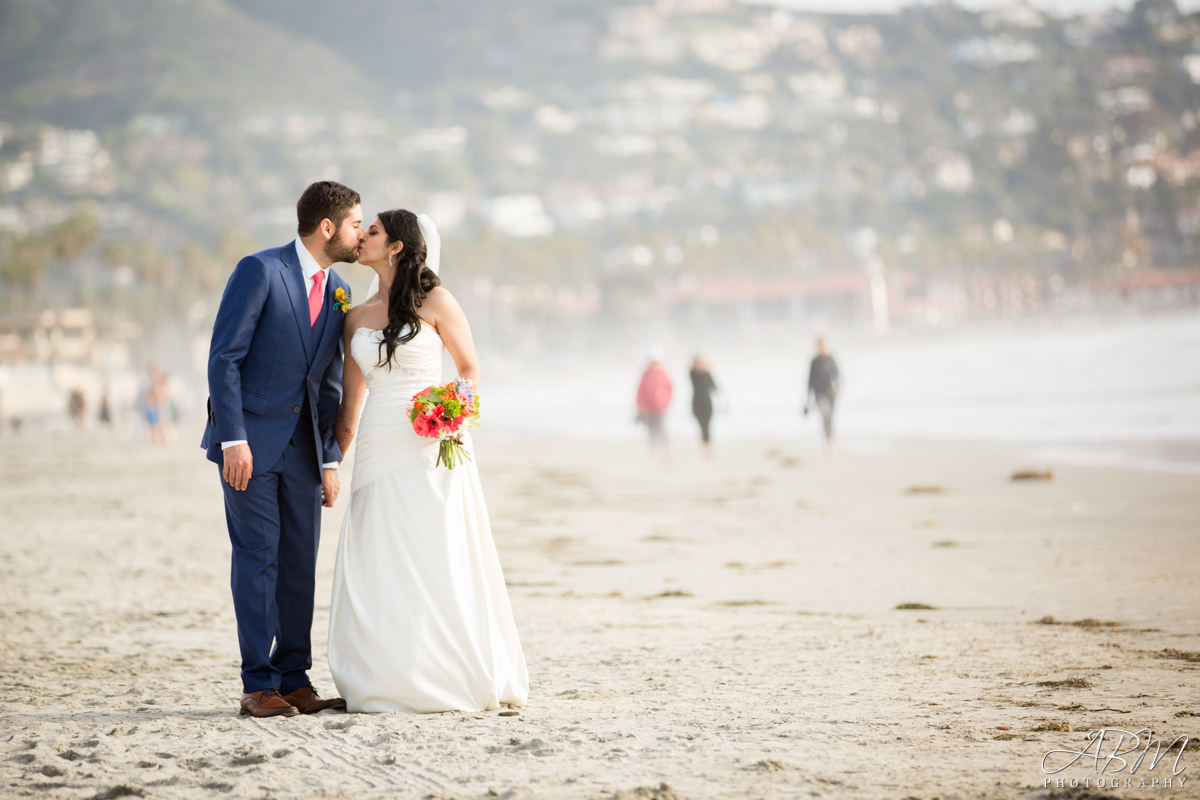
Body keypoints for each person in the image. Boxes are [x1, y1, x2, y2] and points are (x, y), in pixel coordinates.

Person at [327, 209, 528, 714]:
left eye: (371, 231)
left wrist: (451, 412)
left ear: (396, 246)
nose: (362, 237)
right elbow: (350, 405)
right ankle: (387, 673)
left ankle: (448, 670)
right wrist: (331, 462)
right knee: (380, 550)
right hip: (378, 444)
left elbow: (469, 368)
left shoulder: (436, 300)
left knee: (434, 545)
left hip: (429, 441)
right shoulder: (354, 317)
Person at [201, 180, 362, 718]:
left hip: (305, 457)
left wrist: (331, 459)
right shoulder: (261, 270)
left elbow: (329, 383)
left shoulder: (338, 289)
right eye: (356, 223)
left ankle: (295, 678)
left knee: (299, 565)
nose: (360, 233)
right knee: (257, 560)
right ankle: (257, 685)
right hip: (248, 448)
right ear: (327, 227)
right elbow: (225, 358)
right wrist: (233, 439)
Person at [804, 336, 841, 453]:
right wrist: (808, 398)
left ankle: (830, 440)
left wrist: (838, 388)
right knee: (825, 414)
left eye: (824, 346)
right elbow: (810, 379)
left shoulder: (831, 359)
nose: (822, 348)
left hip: (831, 392)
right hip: (818, 392)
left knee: (830, 417)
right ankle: (827, 441)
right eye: (820, 346)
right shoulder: (814, 361)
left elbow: (837, 375)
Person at [636, 349, 672, 450]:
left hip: (661, 407)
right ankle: (654, 449)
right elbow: (640, 391)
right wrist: (640, 404)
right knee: (651, 429)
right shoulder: (645, 375)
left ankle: (665, 449)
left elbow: (670, 389)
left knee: (661, 428)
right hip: (648, 408)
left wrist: (667, 402)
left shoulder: (663, 374)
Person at [689, 355, 719, 456]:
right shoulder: (692, 374)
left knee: (706, 426)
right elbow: (693, 373)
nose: (699, 365)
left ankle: (707, 448)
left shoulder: (707, 374)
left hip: (707, 404)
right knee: (702, 426)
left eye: (700, 362)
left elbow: (714, 387)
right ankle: (705, 446)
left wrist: (708, 370)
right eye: (697, 363)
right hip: (696, 404)